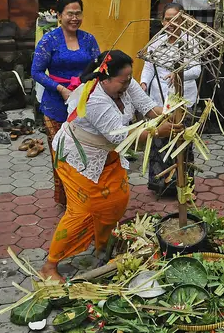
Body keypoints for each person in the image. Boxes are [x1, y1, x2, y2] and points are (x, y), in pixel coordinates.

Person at [41, 50, 182, 282]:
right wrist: (158, 131)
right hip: (78, 156)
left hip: (106, 154)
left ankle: (102, 244)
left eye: (129, 78)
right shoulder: (95, 98)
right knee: (83, 211)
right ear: (105, 78)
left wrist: (168, 116)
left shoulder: (125, 82)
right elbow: (122, 137)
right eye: (123, 80)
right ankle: (50, 264)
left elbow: (147, 107)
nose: (128, 83)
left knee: (118, 197)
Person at [31, 0, 100, 206]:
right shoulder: (49, 40)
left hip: (83, 103)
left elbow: (98, 66)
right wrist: (60, 88)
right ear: (59, 15)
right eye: (70, 13)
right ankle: (66, 200)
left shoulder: (89, 39)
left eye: (78, 13)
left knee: (85, 149)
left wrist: (86, 84)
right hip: (55, 105)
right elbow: (36, 71)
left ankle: (85, 194)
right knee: (60, 153)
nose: (74, 18)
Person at [140, 3, 200, 196]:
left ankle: (183, 186)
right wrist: (143, 84)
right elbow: (149, 67)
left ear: (184, 21)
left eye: (176, 19)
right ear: (162, 21)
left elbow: (197, 70)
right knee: (159, 142)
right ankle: (160, 185)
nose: (171, 23)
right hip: (159, 101)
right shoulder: (156, 42)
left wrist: (180, 74)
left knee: (183, 143)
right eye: (167, 19)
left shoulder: (191, 42)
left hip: (184, 101)